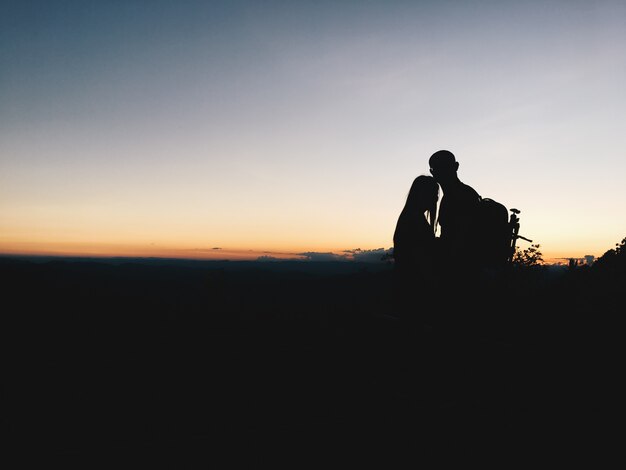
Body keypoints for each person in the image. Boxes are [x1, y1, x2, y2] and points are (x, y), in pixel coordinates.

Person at [392, 175, 440, 322]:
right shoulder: (414, 219)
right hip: (416, 291)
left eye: (436, 194)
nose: (435, 198)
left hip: (410, 288)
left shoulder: (411, 217)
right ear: (419, 194)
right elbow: (420, 257)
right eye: (432, 193)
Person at [428, 150, 481, 270]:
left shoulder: (460, 196)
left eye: (445, 167)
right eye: (439, 168)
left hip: (461, 269)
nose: (443, 171)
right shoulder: (465, 193)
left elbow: (458, 240)